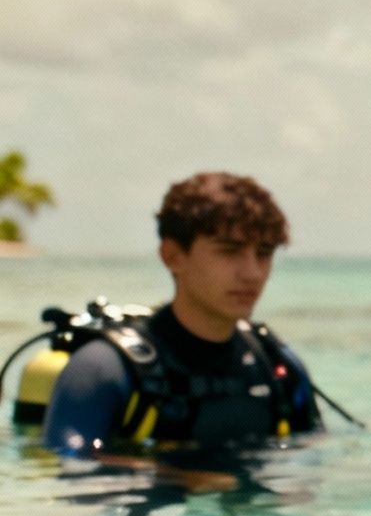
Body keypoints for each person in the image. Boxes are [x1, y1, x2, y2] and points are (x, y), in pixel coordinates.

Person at [40, 172, 322, 456]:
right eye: (229, 251)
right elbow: (68, 463)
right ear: (173, 256)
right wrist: (184, 479)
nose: (252, 273)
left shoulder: (278, 367)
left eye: (264, 253)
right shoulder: (103, 368)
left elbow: (315, 458)